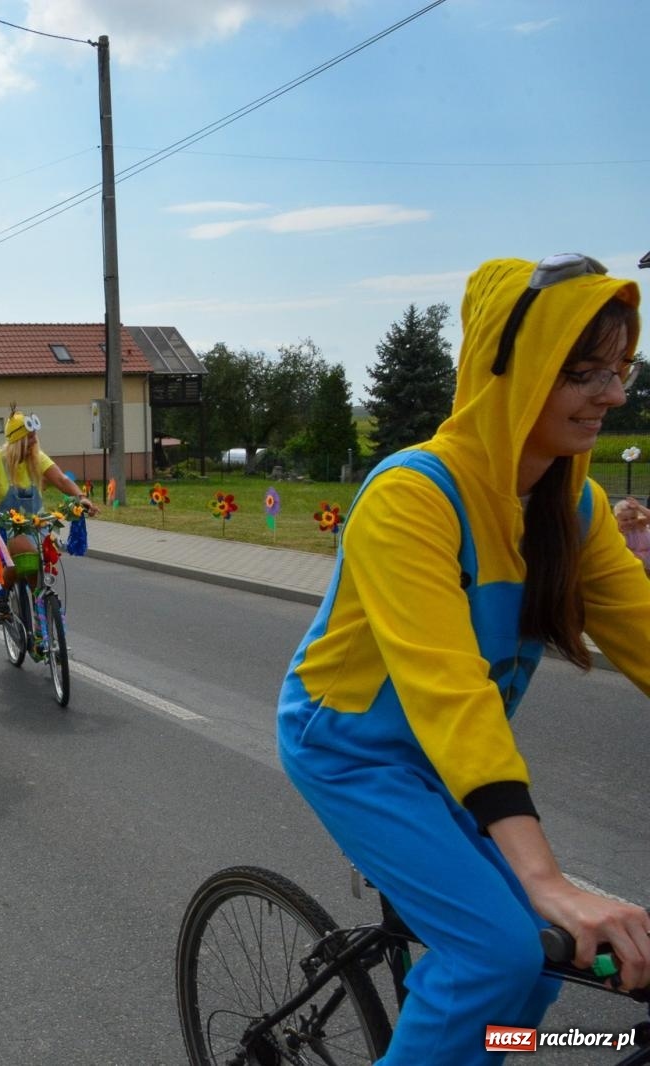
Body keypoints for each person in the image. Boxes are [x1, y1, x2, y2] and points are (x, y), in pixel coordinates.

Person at [278, 254, 650, 1065]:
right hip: (353, 751)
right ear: (508, 373)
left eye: (620, 370)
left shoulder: (575, 506)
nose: (615, 395)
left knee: (542, 966)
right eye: (585, 372)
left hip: (452, 762)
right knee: (498, 955)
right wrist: (545, 877)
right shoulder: (411, 496)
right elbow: (449, 694)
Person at [0, 410, 97, 620]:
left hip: (36, 525)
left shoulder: (37, 459)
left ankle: (43, 625)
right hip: (6, 528)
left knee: (40, 568)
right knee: (26, 556)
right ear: (17, 440)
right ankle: (1, 591)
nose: (33, 441)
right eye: (29, 437)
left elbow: (61, 480)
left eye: (34, 436)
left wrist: (81, 497)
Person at [614, 495, 650, 570]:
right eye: (625, 520)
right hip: (634, 559)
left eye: (633, 518)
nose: (630, 522)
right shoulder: (618, 529)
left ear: (637, 516)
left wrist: (638, 507)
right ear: (617, 519)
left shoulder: (640, 523)